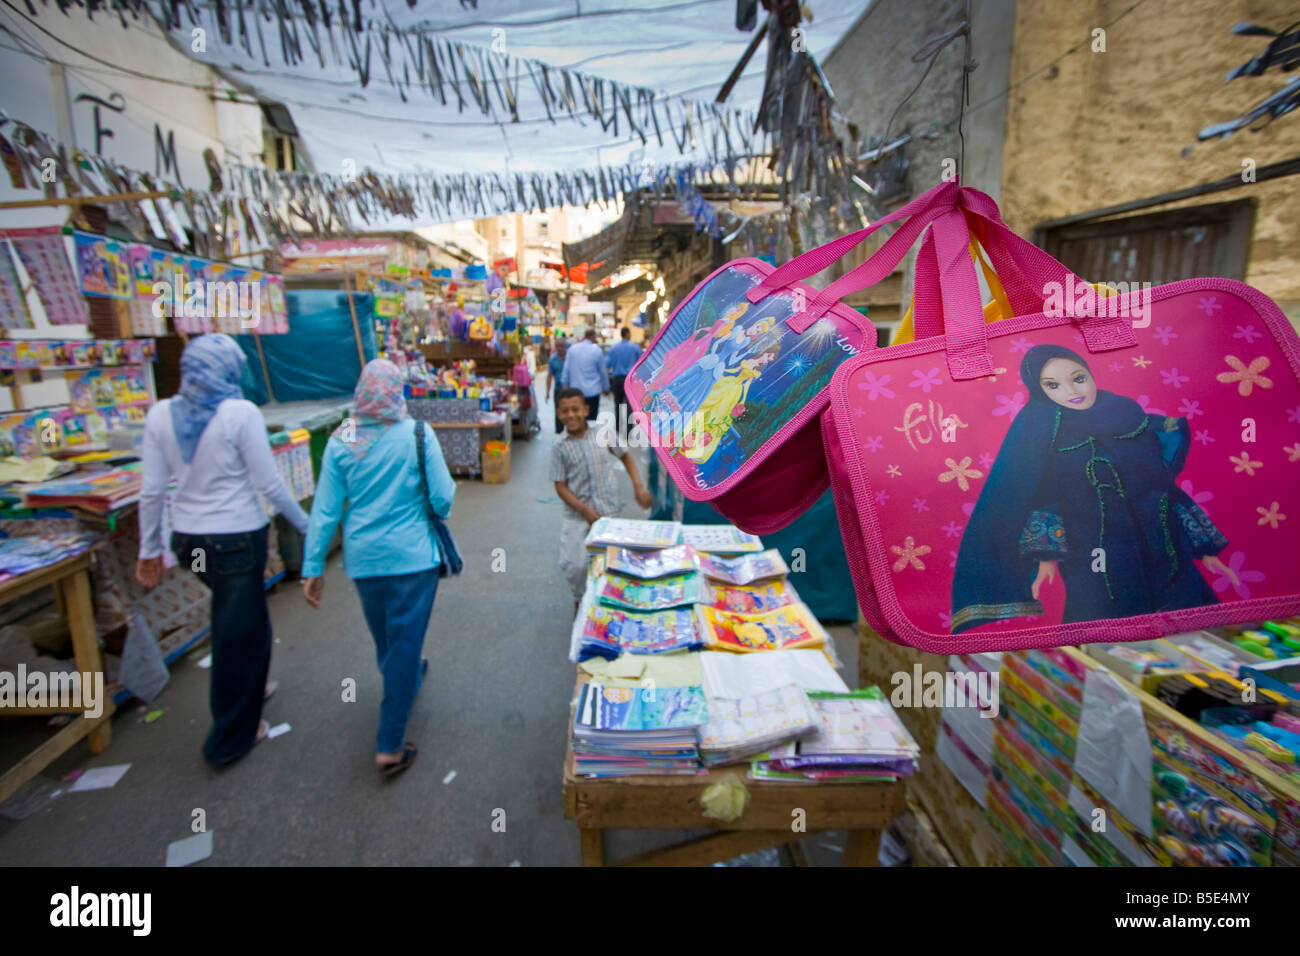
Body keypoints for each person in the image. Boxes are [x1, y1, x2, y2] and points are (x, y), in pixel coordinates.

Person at [951, 344, 1239, 633]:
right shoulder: (1043, 435)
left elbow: (1163, 489)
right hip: (1093, 554)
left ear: (1090, 374)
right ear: (1040, 392)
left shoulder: (1129, 416)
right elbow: (1044, 498)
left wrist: (1204, 547)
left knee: (1191, 626)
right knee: (1103, 627)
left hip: (1164, 546)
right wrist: (1045, 558)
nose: (1072, 391)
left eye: (1078, 378)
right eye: (1053, 385)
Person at [136, 334, 310, 766]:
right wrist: (310, 527)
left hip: (191, 542)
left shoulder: (160, 414)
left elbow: (152, 492)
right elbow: (269, 484)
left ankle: (258, 684)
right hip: (235, 539)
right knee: (237, 632)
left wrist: (149, 548)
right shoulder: (239, 413)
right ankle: (232, 736)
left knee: (239, 614)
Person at [300, 360, 456, 777]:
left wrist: (313, 566)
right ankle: (389, 744)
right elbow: (443, 500)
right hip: (412, 559)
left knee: (388, 637)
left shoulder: (341, 439)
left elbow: (326, 509)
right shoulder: (418, 434)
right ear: (397, 390)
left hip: (364, 562)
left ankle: (406, 672)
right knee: (402, 640)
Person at [552, 387, 652, 607]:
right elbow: (560, 486)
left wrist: (638, 487)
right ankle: (579, 606)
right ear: (558, 414)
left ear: (586, 410)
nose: (571, 415)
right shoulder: (559, 446)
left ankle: (608, 608)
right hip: (577, 517)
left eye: (575, 409)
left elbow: (625, 456)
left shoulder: (603, 432)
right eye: (565, 411)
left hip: (608, 512)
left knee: (612, 564)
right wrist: (583, 510)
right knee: (575, 566)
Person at [560, 328, 609, 423]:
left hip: (576, 392)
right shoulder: (597, 351)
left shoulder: (572, 349)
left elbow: (566, 370)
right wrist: (606, 387)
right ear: (593, 337)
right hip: (593, 392)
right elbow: (602, 372)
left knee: (577, 419)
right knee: (591, 421)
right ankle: (589, 437)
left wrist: (564, 386)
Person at [605, 326, 643, 431]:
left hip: (617, 379)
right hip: (630, 381)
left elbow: (607, 364)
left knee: (617, 404)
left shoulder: (613, 348)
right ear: (628, 334)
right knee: (629, 405)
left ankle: (617, 427)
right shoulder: (635, 348)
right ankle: (629, 429)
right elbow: (641, 364)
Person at [546, 338, 568, 434]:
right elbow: (549, 376)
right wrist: (547, 392)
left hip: (569, 390)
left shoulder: (570, 357)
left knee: (569, 411)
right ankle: (560, 432)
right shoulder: (552, 359)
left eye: (561, 346)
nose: (559, 348)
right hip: (558, 389)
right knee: (559, 411)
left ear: (565, 346)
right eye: (557, 346)